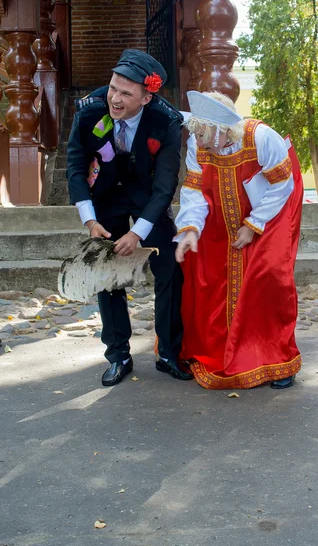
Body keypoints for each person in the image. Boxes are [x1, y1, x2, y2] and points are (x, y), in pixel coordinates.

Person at [66, 50, 192, 385]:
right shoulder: (89, 111)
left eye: (126, 93)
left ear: (147, 97)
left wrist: (138, 233)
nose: (115, 99)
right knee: (108, 278)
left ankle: (168, 352)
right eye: (112, 88)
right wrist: (90, 220)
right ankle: (119, 355)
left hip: (148, 200)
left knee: (170, 271)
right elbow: (76, 167)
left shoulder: (166, 122)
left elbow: (166, 185)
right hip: (105, 200)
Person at [174, 91, 303, 390]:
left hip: (274, 205)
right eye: (196, 134)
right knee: (205, 264)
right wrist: (191, 227)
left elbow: (283, 184)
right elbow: (195, 189)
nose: (199, 142)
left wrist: (254, 223)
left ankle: (279, 359)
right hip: (224, 203)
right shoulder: (199, 141)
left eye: (204, 134)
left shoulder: (261, 137)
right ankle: (221, 347)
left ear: (222, 129)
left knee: (269, 274)